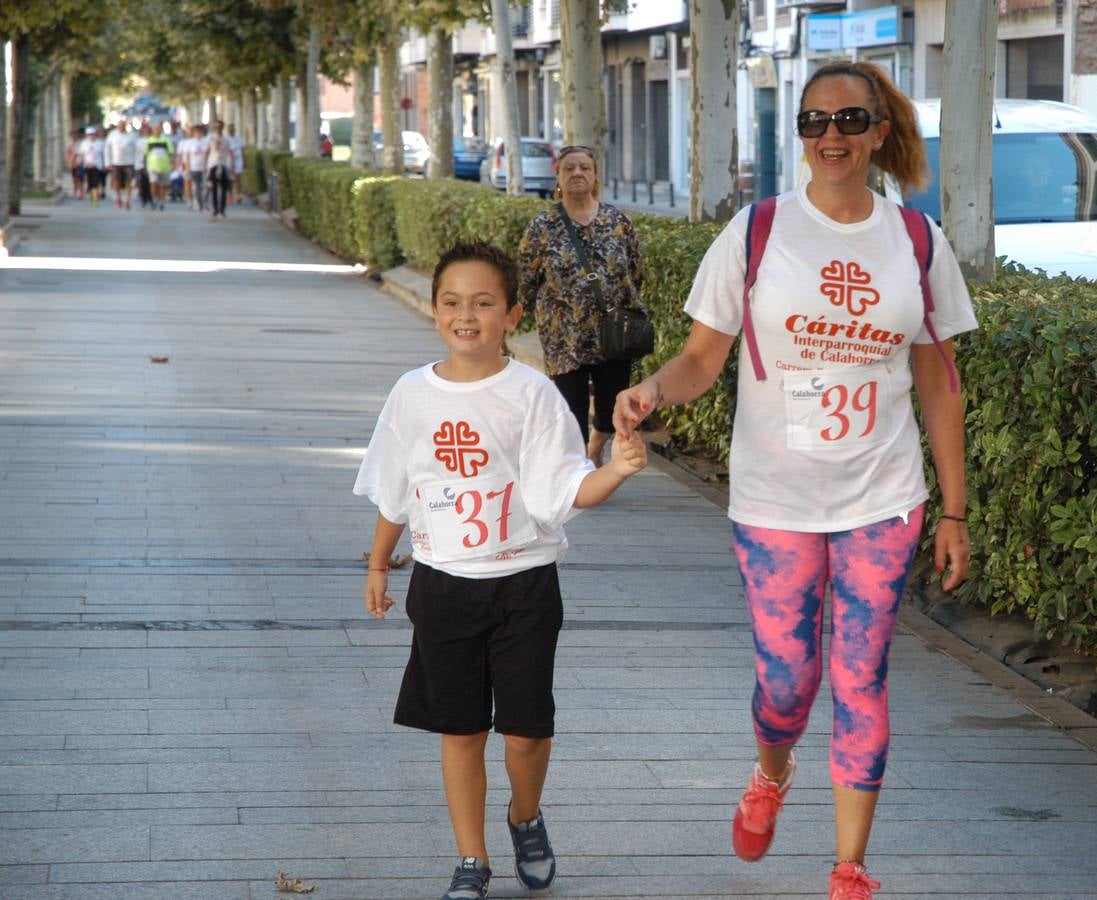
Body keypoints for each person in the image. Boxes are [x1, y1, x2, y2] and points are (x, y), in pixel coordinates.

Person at [612, 61, 976, 900]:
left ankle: (849, 868)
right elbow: (704, 357)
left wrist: (952, 509)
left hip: (881, 496)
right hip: (775, 498)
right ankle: (770, 772)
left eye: (849, 122)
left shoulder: (915, 241)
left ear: (879, 132)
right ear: (799, 134)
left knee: (859, 675)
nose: (830, 138)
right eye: (813, 122)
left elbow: (939, 381)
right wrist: (650, 390)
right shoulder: (758, 230)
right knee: (786, 680)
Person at [354, 242, 648, 900]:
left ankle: (524, 814)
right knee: (460, 730)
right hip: (442, 584)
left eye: (484, 303)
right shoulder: (411, 395)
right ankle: (470, 859)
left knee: (525, 730)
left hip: (524, 584)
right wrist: (379, 563)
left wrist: (616, 471)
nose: (467, 316)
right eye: (453, 303)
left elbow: (563, 487)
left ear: (512, 314)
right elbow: (395, 488)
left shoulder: (533, 395)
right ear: (434, 312)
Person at [517, 145, 645, 468]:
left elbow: (636, 270)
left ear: (595, 175)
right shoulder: (542, 226)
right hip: (564, 336)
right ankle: (578, 470)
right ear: (558, 176)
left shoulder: (618, 222)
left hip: (613, 332)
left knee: (608, 407)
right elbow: (526, 278)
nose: (577, 173)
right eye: (569, 168)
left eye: (584, 168)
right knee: (571, 407)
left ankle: (596, 445)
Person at [105, 119, 139, 210]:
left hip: (129, 162)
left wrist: (137, 163)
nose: (121, 127)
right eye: (120, 126)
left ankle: (127, 200)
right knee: (116, 182)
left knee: (128, 182)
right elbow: (107, 149)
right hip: (116, 163)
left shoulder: (131, 136)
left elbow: (137, 150)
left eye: (123, 126)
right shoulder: (112, 135)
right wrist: (107, 162)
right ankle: (118, 197)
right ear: (117, 126)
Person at [205, 120, 233, 220]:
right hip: (213, 164)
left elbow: (230, 152)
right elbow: (207, 151)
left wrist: (231, 166)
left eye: (220, 127)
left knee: (224, 189)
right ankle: (215, 210)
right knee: (214, 189)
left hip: (224, 164)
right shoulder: (211, 138)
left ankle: (222, 210)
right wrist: (206, 165)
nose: (218, 129)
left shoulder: (226, 139)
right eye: (217, 127)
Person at [144, 125, 175, 210]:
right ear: (153, 131)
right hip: (152, 166)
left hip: (164, 166)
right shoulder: (149, 141)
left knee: (163, 185)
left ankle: (162, 201)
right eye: (155, 130)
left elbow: (171, 153)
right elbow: (146, 154)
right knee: (154, 183)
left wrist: (172, 163)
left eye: (158, 130)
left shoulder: (166, 140)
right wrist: (145, 166)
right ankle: (154, 199)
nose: (157, 131)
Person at [227, 122, 244, 204]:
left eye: (232, 129)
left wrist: (245, 161)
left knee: (238, 178)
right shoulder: (226, 138)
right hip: (229, 160)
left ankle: (238, 195)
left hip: (238, 159)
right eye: (230, 129)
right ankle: (230, 196)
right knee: (230, 180)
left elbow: (242, 149)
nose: (231, 130)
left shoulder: (239, 138)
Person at [66, 129, 85, 200]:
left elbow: (82, 153)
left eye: (75, 135)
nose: (73, 137)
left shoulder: (81, 144)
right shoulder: (69, 144)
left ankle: (81, 192)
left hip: (80, 164)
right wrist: (69, 161)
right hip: (72, 164)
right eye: (72, 135)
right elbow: (67, 154)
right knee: (74, 179)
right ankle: (75, 190)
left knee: (80, 178)